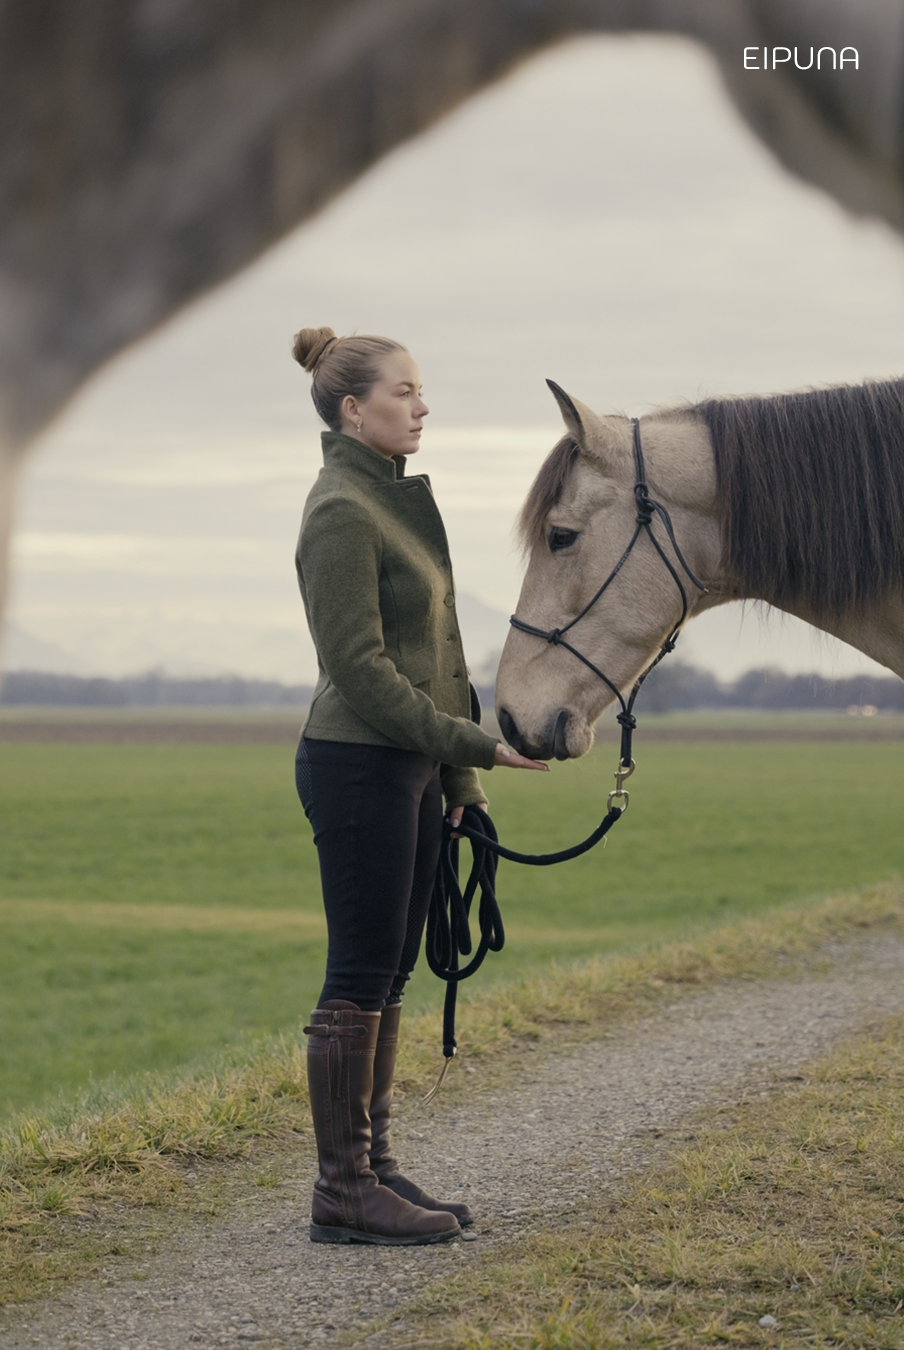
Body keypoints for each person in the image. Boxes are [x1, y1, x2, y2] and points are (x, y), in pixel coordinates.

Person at [292, 326, 548, 1246]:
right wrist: (474, 746)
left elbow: (438, 661)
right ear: (353, 409)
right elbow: (361, 670)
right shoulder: (340, 513)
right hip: (356, 763)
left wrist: (461, 789)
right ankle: (342, 1189)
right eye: (404, 392)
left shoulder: (398, 504)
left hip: (408, 768)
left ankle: (376, 1167)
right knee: (359, 973)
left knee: (395, 972)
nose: (422, 406)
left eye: (422, 390)